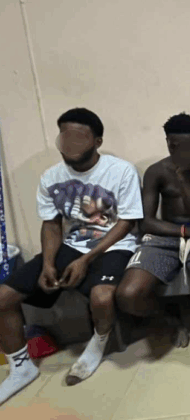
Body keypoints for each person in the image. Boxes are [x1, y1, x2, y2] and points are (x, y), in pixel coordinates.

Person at [0, 108, 143, 405]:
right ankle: (21, 367)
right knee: (3, 297)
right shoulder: (51, 177)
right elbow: (51, 224)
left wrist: (86, 260)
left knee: (102, 297)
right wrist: (48, 263)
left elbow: (127, 222)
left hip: (115, 244)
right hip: (72, 244)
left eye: (79, 137)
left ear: (97, 141)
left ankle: (98, 343)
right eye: (65, 136)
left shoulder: (121, 170)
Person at [116, 113, 190, 347]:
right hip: (166, 236)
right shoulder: (156, 171)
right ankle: (171, 321)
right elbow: (146, 222)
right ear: (167, 142)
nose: (179, 152)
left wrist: (183, 180)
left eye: (187, 147)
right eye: (173, 146)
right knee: (128, 294)